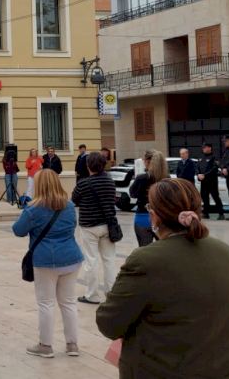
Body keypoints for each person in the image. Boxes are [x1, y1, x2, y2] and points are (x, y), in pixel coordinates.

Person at [96, 179, 229, 379]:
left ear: (154, 216)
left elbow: (109, 323)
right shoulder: (224, 251)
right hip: (227, 371)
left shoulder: (146, 260)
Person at [12, 170, 83, 359]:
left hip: (45, 260)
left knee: (46, 303)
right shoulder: (69, 206)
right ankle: (72, 344)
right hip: (71, 257)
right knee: (69, 302)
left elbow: (18, 230)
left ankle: (45, 345)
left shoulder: (33, 209)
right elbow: (72, 226)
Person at [73, 152, 118, 305]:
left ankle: (92, 295)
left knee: (91, 261)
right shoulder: (110, 182)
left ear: (88, 166)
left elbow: (74, 199)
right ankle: (111, 293)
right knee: (109, 260)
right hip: (107, 225)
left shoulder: (83, 183)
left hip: (89, 226)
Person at [129, 151, 169, 247]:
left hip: (143, 217)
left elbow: (133, 194)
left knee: (145, 250)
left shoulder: (141, 178)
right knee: (165, 250)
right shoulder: (167, 178)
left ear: (147, 161)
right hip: (162, 218)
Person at [196, 143, 223, 219]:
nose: (204, 149)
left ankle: (221, 214)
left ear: (210, 148)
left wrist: (205, 175)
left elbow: (214, 168)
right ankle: (206, 213)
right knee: (204, 197)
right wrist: (198, 174)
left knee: (215, 197)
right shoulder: (201, 157)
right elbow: (197, 167)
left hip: (212, 181)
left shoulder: (214, 157)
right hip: (203, 181)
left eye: (205, 147)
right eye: (203, 147)